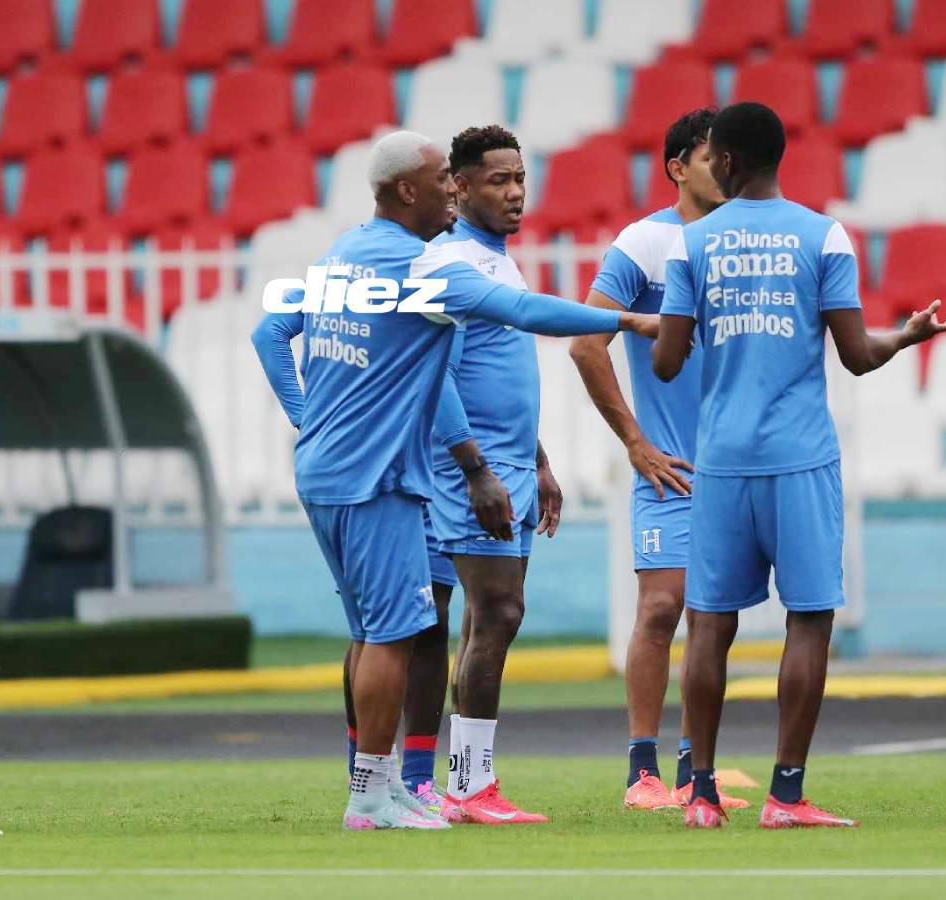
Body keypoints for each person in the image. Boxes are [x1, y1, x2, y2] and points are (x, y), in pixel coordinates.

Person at [252, 130, 657, 830]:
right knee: (397, 635)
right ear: (409, 190)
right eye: (446, 179)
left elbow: (269, 334)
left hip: (331, 469)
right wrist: (628, 318)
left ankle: (393, 785)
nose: (455, 189)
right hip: (374, 478)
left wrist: (306, 416)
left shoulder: (343, 253)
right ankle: (373, 798)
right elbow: (526, 314)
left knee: (379, 632)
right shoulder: (425, 267)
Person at [652, 102, 946, 829]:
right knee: (809, 620)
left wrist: (695, 333)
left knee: (709, 624)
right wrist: (906, 339)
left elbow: (664, 363)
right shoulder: (824, 236)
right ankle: (786, 796)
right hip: (800, 457)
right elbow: (855, 354)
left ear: (724, 161)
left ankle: (699, 795)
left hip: (721, 461)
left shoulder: (691, 243)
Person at [570, 108, 747, 812]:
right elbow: (587, 340)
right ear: (678, 167)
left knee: (712, 619)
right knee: (661, 607)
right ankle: (640, 772)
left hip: (736, 466)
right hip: (670, 468)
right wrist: (636, 443)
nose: (726, 171)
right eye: (713, 159)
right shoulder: (643, 242)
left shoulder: (748, 238)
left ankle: (692, 773)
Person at [423, 125, 561, 825]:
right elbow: (437, 378)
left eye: (519, 180)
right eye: (498, 181)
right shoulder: (451, 263)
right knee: (496, 613)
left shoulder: (500, 261)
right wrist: (476, 470)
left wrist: (536, 460)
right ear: (460, 185)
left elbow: (502, 375)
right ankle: (466, 784)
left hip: (510, 464)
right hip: (471, 468)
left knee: (489, 616)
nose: (513, 194)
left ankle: (463, 783)